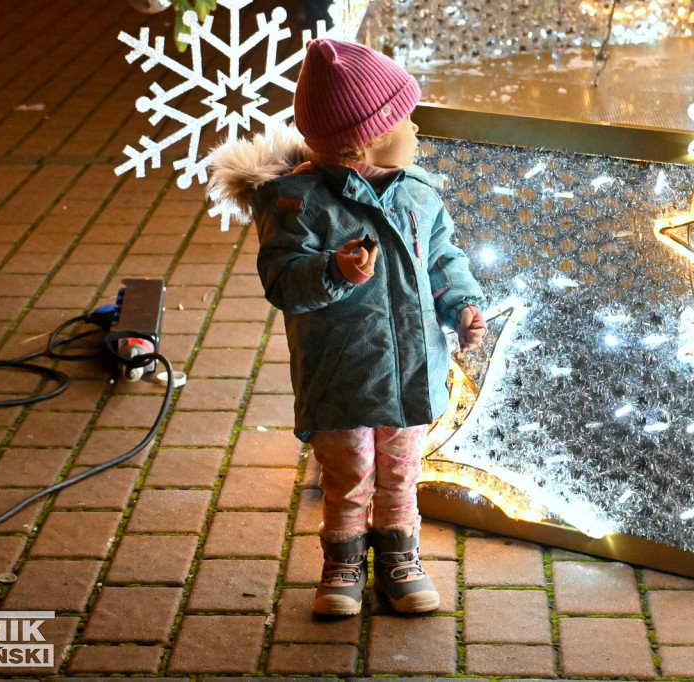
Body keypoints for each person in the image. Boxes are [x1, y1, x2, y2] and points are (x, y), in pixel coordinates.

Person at [207, 38, 487, 617]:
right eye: (405, 120)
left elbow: (442, 259)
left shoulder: (420, 194)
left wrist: (460, 304)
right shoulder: (298, 204)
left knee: (401, 473)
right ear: (367, 138)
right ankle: (343, 561)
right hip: (341, 371)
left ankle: (399, 557)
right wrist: (334, 270)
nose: (416, 130)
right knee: (350, 472)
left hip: (412, 370)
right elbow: (284, 282)